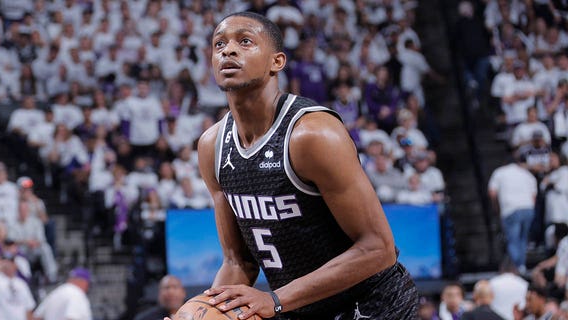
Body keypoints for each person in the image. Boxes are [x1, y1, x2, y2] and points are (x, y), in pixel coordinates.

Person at [172, 12, 418, 320]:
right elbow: (238, 263)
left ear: (277, 62)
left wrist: (275, 300)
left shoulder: (312, 134)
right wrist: (199, 315)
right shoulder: (212, 147)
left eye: (245, 41)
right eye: (219, 44)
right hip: (297, 307)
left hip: (371, 305)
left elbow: (378, 248)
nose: (228, 50)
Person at [488, 155, 538, 273]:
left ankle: (516, 267)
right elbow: (534, 196)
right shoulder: (527, 174)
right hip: (528, 208)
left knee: (513, 239)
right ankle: (521, 266)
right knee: (523, 239)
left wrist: (497, 209)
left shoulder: (499, 172)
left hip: (510, 209)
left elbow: (492, 193)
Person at [0, 252, 36, 320]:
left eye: (10, 262)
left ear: (15, 264)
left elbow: (28, 308)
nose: (8, 264)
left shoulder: (22, 284)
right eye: (5, 262)